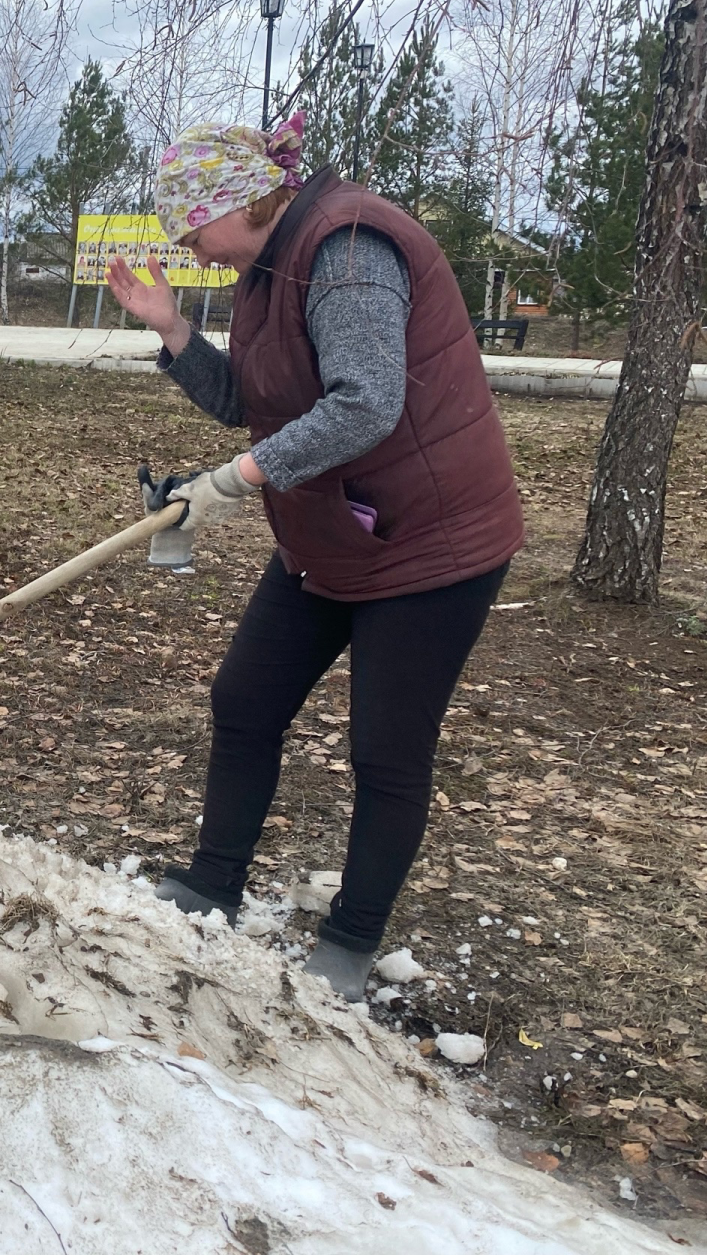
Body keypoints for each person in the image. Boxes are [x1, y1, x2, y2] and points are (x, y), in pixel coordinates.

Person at [107, 111, 524, 999]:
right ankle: (213, 882)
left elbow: (366, 404)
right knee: (247, 700)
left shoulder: (348, 253)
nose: (188, 244)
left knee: (385, 749)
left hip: (430, 544)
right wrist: (174, 330)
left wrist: (235, 482)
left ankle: (350, 939)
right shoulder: (266, 263)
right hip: (334, 529)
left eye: (193, 224)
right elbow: (251, 406)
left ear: (245, 199)